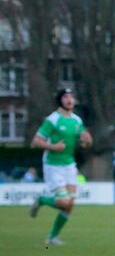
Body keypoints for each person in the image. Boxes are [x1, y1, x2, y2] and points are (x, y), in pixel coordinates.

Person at [29, 88, 93, 246]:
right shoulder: (53, 119)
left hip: (69, 165)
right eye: (65, 97)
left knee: (70, 204)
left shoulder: (76, 120)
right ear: (60, 100)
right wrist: (52, 147)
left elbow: (86, 141)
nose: (69, 99)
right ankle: (41, 199)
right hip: (53, 165)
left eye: (72, 96)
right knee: (64, 202)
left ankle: (52, 237)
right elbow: (36, 141)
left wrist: (86, 141)